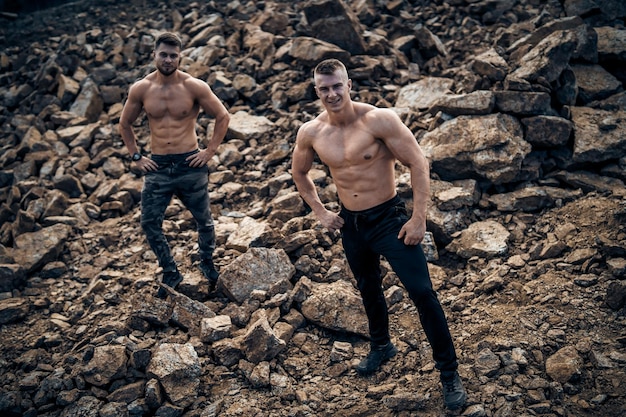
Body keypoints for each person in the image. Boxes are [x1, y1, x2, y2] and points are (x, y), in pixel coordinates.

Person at [291, 59, 467, 410]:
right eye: (324, 88)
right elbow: (300, 174)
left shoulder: (378, 120)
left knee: (421, 293)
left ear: (349, 84)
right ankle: (381, 346)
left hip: (389, 218)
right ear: (316, 92)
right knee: (368, 287)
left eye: (337, 85)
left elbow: (419, 163)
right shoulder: (311, 132)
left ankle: (449, 373)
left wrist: (418, 219)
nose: (332, 93)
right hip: (352, 224)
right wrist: (322, 212)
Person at [119, 32, 230, 298]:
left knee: (204, 221)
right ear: (154, 55)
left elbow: (222, 116)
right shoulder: (141, 89)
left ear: (180, 57)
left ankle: (206, 262)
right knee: (149, 222)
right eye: (163, 54)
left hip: (190, 163)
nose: (168, 60)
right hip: (157, 167)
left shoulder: (194, 87)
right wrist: (136, 156)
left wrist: (210, 151)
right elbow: (125, 124)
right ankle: (170, 271)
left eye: (173, 55)